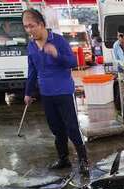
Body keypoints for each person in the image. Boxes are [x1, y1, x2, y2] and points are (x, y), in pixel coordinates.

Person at [22, 8, 89, 174]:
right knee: (56, 129)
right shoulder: (30, 46)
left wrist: (56, 54)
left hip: (64, 92)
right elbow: (32, 71)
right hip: (47, 94)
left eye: (31, 26)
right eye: (26, 27)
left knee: (72, 127)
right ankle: (63, 158)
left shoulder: (58, 41)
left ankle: (83, 160)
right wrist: (28, 92)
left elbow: (73, 62)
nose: (29, 30)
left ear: (41, 24)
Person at [112, 26, 124, 113]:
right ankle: (120, 109)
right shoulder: (116, 45)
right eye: (118, 36)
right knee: (121, 89)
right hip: (121, 71)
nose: (119, 38)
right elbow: (117, 60)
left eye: (120, 36)